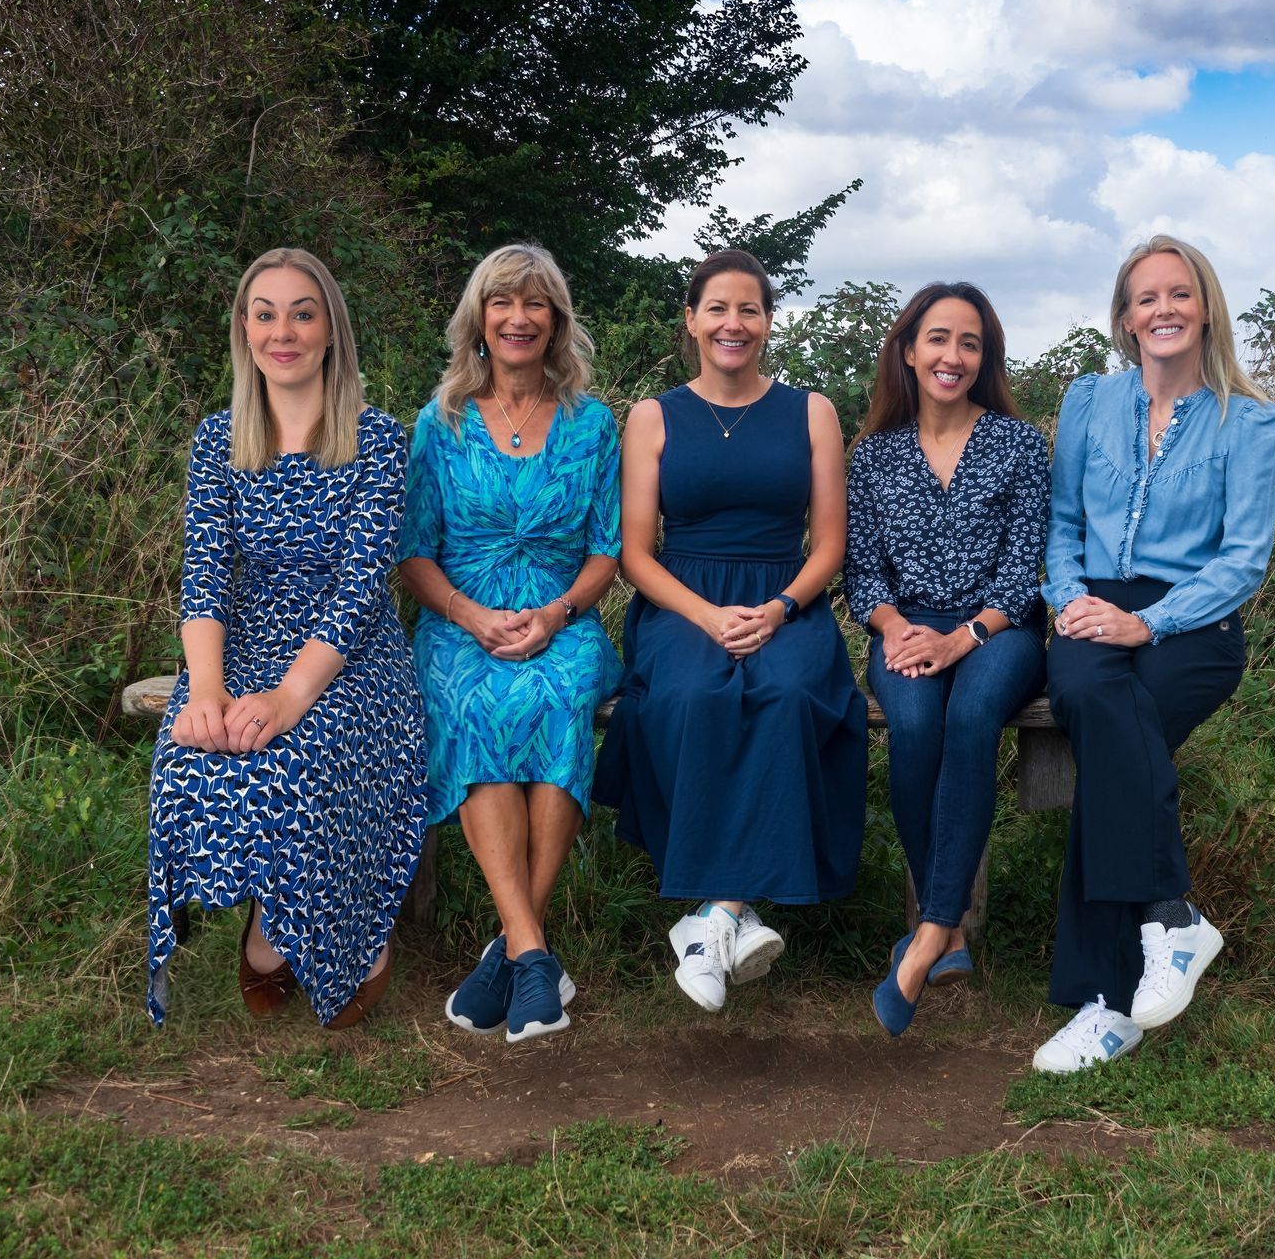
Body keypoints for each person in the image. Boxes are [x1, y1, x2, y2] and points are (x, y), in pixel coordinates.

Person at [147, 247, 426, 1030]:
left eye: (302, 313)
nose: (284, 331)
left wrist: (291, 696)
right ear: (244, 330)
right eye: (264, 314)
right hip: (245, 635)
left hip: (351, 649)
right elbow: (203, 574)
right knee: (190, 755)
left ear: (330, 328)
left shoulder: (376, 438)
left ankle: (342, 930)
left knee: (304, 753)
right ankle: (275, 908)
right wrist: (206, 691)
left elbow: (363, 583)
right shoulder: (217, 439)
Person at [1032, 235, 1275, 1073]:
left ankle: (1105, 1005)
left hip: (1195, 626)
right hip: (1090, 603)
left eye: (1180, 294)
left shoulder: (1248, 421)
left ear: (1206, 307)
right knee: (1102, 714)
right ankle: (1171, 921)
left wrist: (1151, 623)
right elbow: (1062, 526)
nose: (1164, 310)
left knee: (1113, 749)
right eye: (1147, 298)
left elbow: (1243, 559)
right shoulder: (1088, 401)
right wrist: (1074, 602)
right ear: (1125, 318)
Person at [595, 248, 867, 1013]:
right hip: (684, 598)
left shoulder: (810, 410)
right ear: (691, 320)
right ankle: (732, 912)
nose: (733, 323)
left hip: (786, 596)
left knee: (784, 696)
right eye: (717, 308)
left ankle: (712, 916)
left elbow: (831, 544)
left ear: (769, 322)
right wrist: (707, 615)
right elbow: (636, 554)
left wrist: (779, 608)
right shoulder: (653, 416)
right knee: (689, 697)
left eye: (750, 309)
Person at [398, 244, 622, 1044]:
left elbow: (609, 547)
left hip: (562, 617)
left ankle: (511, 950)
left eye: (535, 304)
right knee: (480, 699)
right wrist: (468, 614)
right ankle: (533, 951)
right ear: (480, 320)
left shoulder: (594, 424)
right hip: (462, 621)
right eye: (502, 304)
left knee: (558, 694)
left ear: (556, 320)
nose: (518, 318)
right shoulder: (443, 419)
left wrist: (558, 613)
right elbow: (414, 549)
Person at [843, 282, 1049, 1037]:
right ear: (908, 350)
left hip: (1003, 631)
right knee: (917, 724)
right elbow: (862, 574)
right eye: (938, 339)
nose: (952, 356)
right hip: (904, 628)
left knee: (969, 716)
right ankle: (950, 935)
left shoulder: (1019, 445)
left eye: (969, 343)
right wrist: (896, 628)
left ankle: (929, 932)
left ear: (985, 357)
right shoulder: (873, 456)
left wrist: (965, 636)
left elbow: (1026, 565)